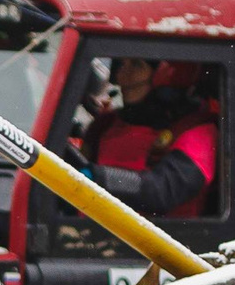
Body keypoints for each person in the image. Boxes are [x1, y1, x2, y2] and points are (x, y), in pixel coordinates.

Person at [72, 57, 218, 218]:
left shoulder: (197, 131)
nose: (122, 71)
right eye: (121, 63)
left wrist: (98, 177)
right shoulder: (104, 124)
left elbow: (162, 191)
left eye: (136, 64)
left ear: (167, 75)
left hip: (160, 239)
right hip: (92, 231)